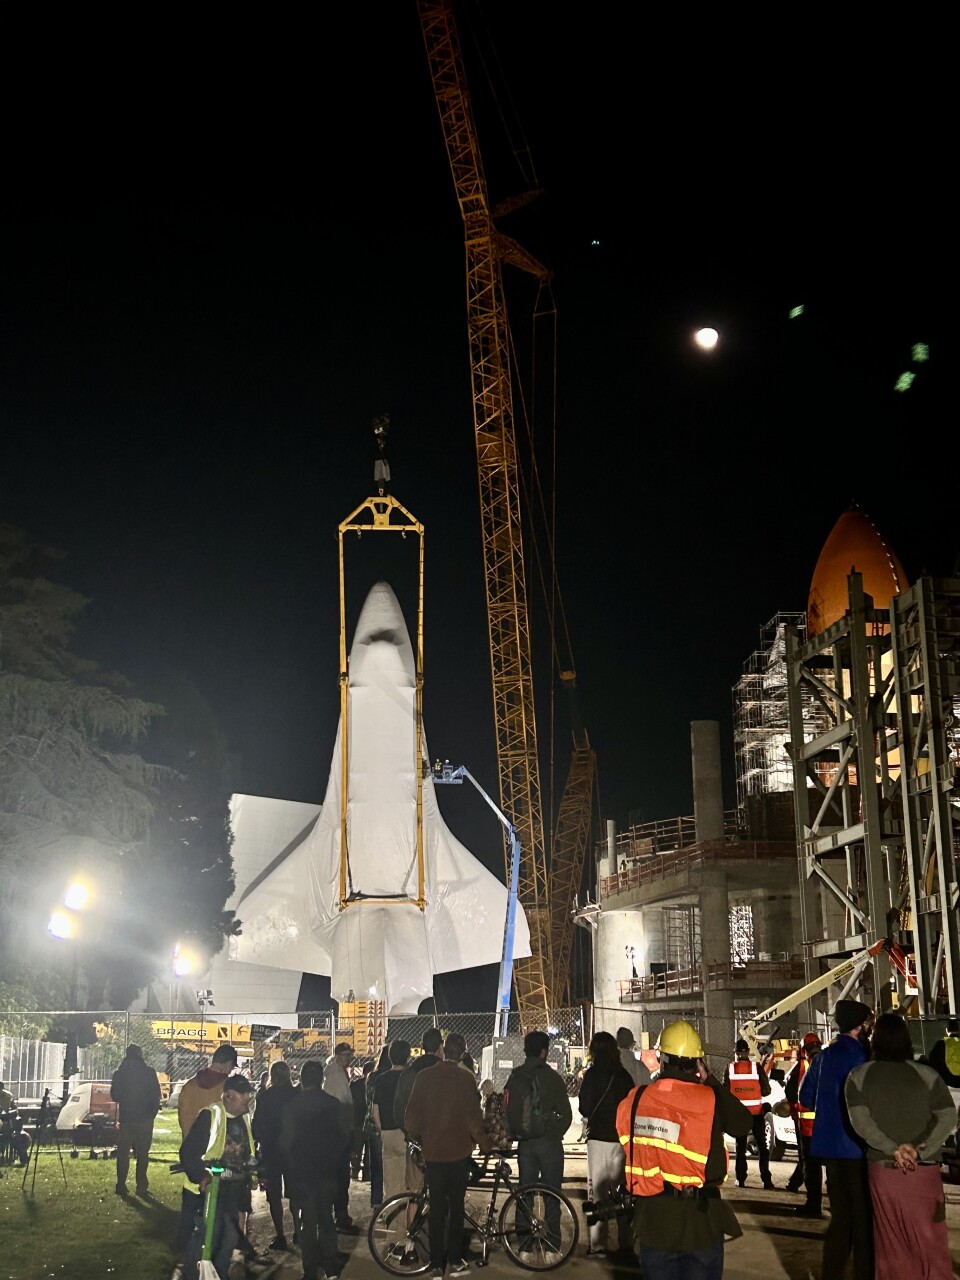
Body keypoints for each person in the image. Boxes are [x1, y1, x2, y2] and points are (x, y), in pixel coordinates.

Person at [616, 1018, 753, 1278]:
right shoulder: (710, 1099)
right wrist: (711, 1080)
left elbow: (625, 1138)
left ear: (661, 1059)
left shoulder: (635, 1099)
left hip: (654, 1221)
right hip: (700, 1222)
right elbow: (743, 1123)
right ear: (698, 1063)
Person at [844, 1011, 955, 1280]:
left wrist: (892, 1149)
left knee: (890, 1243)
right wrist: (919, 1149)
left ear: (875, 1040)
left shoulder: (858, 1077)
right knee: (930, 1241)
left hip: (883, 1171)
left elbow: (861, 1123)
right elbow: (948, 1117)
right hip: (923, 1170)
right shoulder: (928, 1075)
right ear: (906, 1039)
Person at [798, 998, 874, 1280]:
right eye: (867, 1024)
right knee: (862, 1221)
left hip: (829, 1150)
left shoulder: (823, 1058)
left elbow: (805, 1097)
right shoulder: (864, 1057)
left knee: (840, 1219)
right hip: (857, 1149)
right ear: (858, 1026)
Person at [405, 1031, 490, 1278]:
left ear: (443, 1049)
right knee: (456, 1207)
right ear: (462, 1053)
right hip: (458, 1153)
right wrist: (485, 1144)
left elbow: (411, 1120)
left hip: (433, 1153)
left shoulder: (424, 1077)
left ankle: (435, 1264)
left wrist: (422, 1137)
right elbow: (473, 1119)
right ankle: (454, 1260)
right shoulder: (465, 1078)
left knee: (436, 1209)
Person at [179, 1073, 256, 1280]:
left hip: (232, 1191)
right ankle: (193, 1275)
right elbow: (188, 1152)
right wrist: (202, 1175)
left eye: (248, 1094)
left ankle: (217, 1275)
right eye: (243, 1094)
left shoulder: (244, 1117)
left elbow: (247, 1150)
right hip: (209, 1193)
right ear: (228, 1096)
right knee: (208, 1237)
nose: (248, 1098)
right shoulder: (211, 1115)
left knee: (229, 1238)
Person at [281, 1059, 351, 1280]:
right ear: (321, 1080)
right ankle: (331, 1266)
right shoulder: (333, 1104)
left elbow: (285, 1142)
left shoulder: (292, 1106)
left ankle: (310, 1269)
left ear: (302, 1080)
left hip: (302, 1171)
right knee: (326, 1218)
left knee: (307, 1222)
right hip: (327, 1169)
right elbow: (343, 1137)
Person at [503, 1030, 573, 1253]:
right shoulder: (552, 1077)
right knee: (552, 1194)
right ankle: (552, 1246)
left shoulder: (516, 1075)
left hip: (525, 1143)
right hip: (549, 1143)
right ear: (544, 1052)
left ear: (526, 1051)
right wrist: (554, 1130)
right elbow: (567, 1115)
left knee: (525, 1193)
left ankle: (524, 1245)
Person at [577, 1031, 635, 1257]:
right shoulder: (623, 1076)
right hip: (621, 1139)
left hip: (598, 1138)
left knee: (598, 1192)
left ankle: (598, 1244)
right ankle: (626, 1243)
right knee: (623, 1192)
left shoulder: (591, 1075)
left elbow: (584, 1108)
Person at [252, 1059, 299, 1252]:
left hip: (271, 1149)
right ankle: (298, 1229)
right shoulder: (296, 1094)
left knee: (274, 1195)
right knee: (295, 1191)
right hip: (293, 1148)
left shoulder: (265, 1096)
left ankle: (280, 1234)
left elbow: (257, 1124)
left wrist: (259, 1140)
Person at [396, 1026, 444, 1196]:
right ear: (441, 1047)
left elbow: (399, 1109)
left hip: (416, 1141)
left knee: (415, 1191)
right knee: (441, 1191)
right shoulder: (447, 1073)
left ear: (422, 1046)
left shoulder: (409, 1073)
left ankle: (414, 1214)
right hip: (442, 1141)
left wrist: (409, 1134)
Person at [110, 1043, 161, 1197]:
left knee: (123, 1153)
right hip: (145, 1117)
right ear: (140, 1054)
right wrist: (152, 1113)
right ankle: (141, 1186)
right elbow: (156, 1094)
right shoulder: (149, 1072)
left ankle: (121, 1184)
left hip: (127, 1118)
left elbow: (115, 1096)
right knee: (143, 1153)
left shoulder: (120, 1073)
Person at [722, 1038, 774, 1189]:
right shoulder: (757, 1068)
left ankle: (740, 1179)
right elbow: (767, 1091)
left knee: (741, 1147)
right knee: (762, 1146)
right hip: (756, 1114)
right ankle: (766, 1180)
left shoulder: (730, 1069)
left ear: (736, 1052)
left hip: (740, 1115)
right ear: (748, 1052)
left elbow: (725, 1093)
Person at [783, 1033, 823, 1214]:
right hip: (827, 1124)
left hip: (807, 1126)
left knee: (810, 1165)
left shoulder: (802, 1066)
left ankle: (813, 1204)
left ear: (804, 1050)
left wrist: (794, 1108)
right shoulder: (827, 1062)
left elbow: (791, 1092)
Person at [323, 1042, 358, 1232]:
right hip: (338, 1134)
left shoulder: (336, 1073)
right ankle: (340, 1215)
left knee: (338, 1176)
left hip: (336, 1134)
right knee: (340, 1177)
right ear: (337, 1055)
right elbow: (340, 1105)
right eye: (345, 1055)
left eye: (349, 1055)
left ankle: (338, 1214)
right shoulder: (336, 1075)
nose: (348, 1059)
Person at [373, 1039, 412, 1201]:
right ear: (407, 1056)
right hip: (406, 1133)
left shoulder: (381, 1079)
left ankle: (390, 1210)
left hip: (387, 1132)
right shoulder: (410, 1077)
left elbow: (375, 1110)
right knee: (405, 1179)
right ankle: (403, 1213)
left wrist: (382, 1129)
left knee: (389, 1180)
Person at [178, 1043, 239, 1139]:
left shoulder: (189, 1086)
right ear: (229, 1064)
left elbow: (182, 1119)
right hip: (217, 1145)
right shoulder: (229, 1088)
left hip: (190, 1143)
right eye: (232, 1067)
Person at [365, 1045, 393, 1207]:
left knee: (376, 1165)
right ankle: (390, 1199)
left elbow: (368, 1100)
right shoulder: (393, 1077)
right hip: (389, 1123)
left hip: (372, 1125)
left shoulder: (372, 1077)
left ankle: (376, 1201)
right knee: (390, 1163)